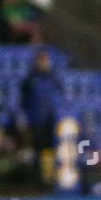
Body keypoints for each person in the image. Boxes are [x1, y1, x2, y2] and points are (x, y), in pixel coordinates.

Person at [20, 47, 60, 187]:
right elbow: (24, 102)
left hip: (50, 118)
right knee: (38, 150)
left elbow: (59, 98)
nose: (44, 63)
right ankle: (37, 180)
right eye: (41, 60)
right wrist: (25, 119)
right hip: (36, 119)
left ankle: (49, 178)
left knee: (50, 150)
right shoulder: (30, 80)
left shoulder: (53, 78)